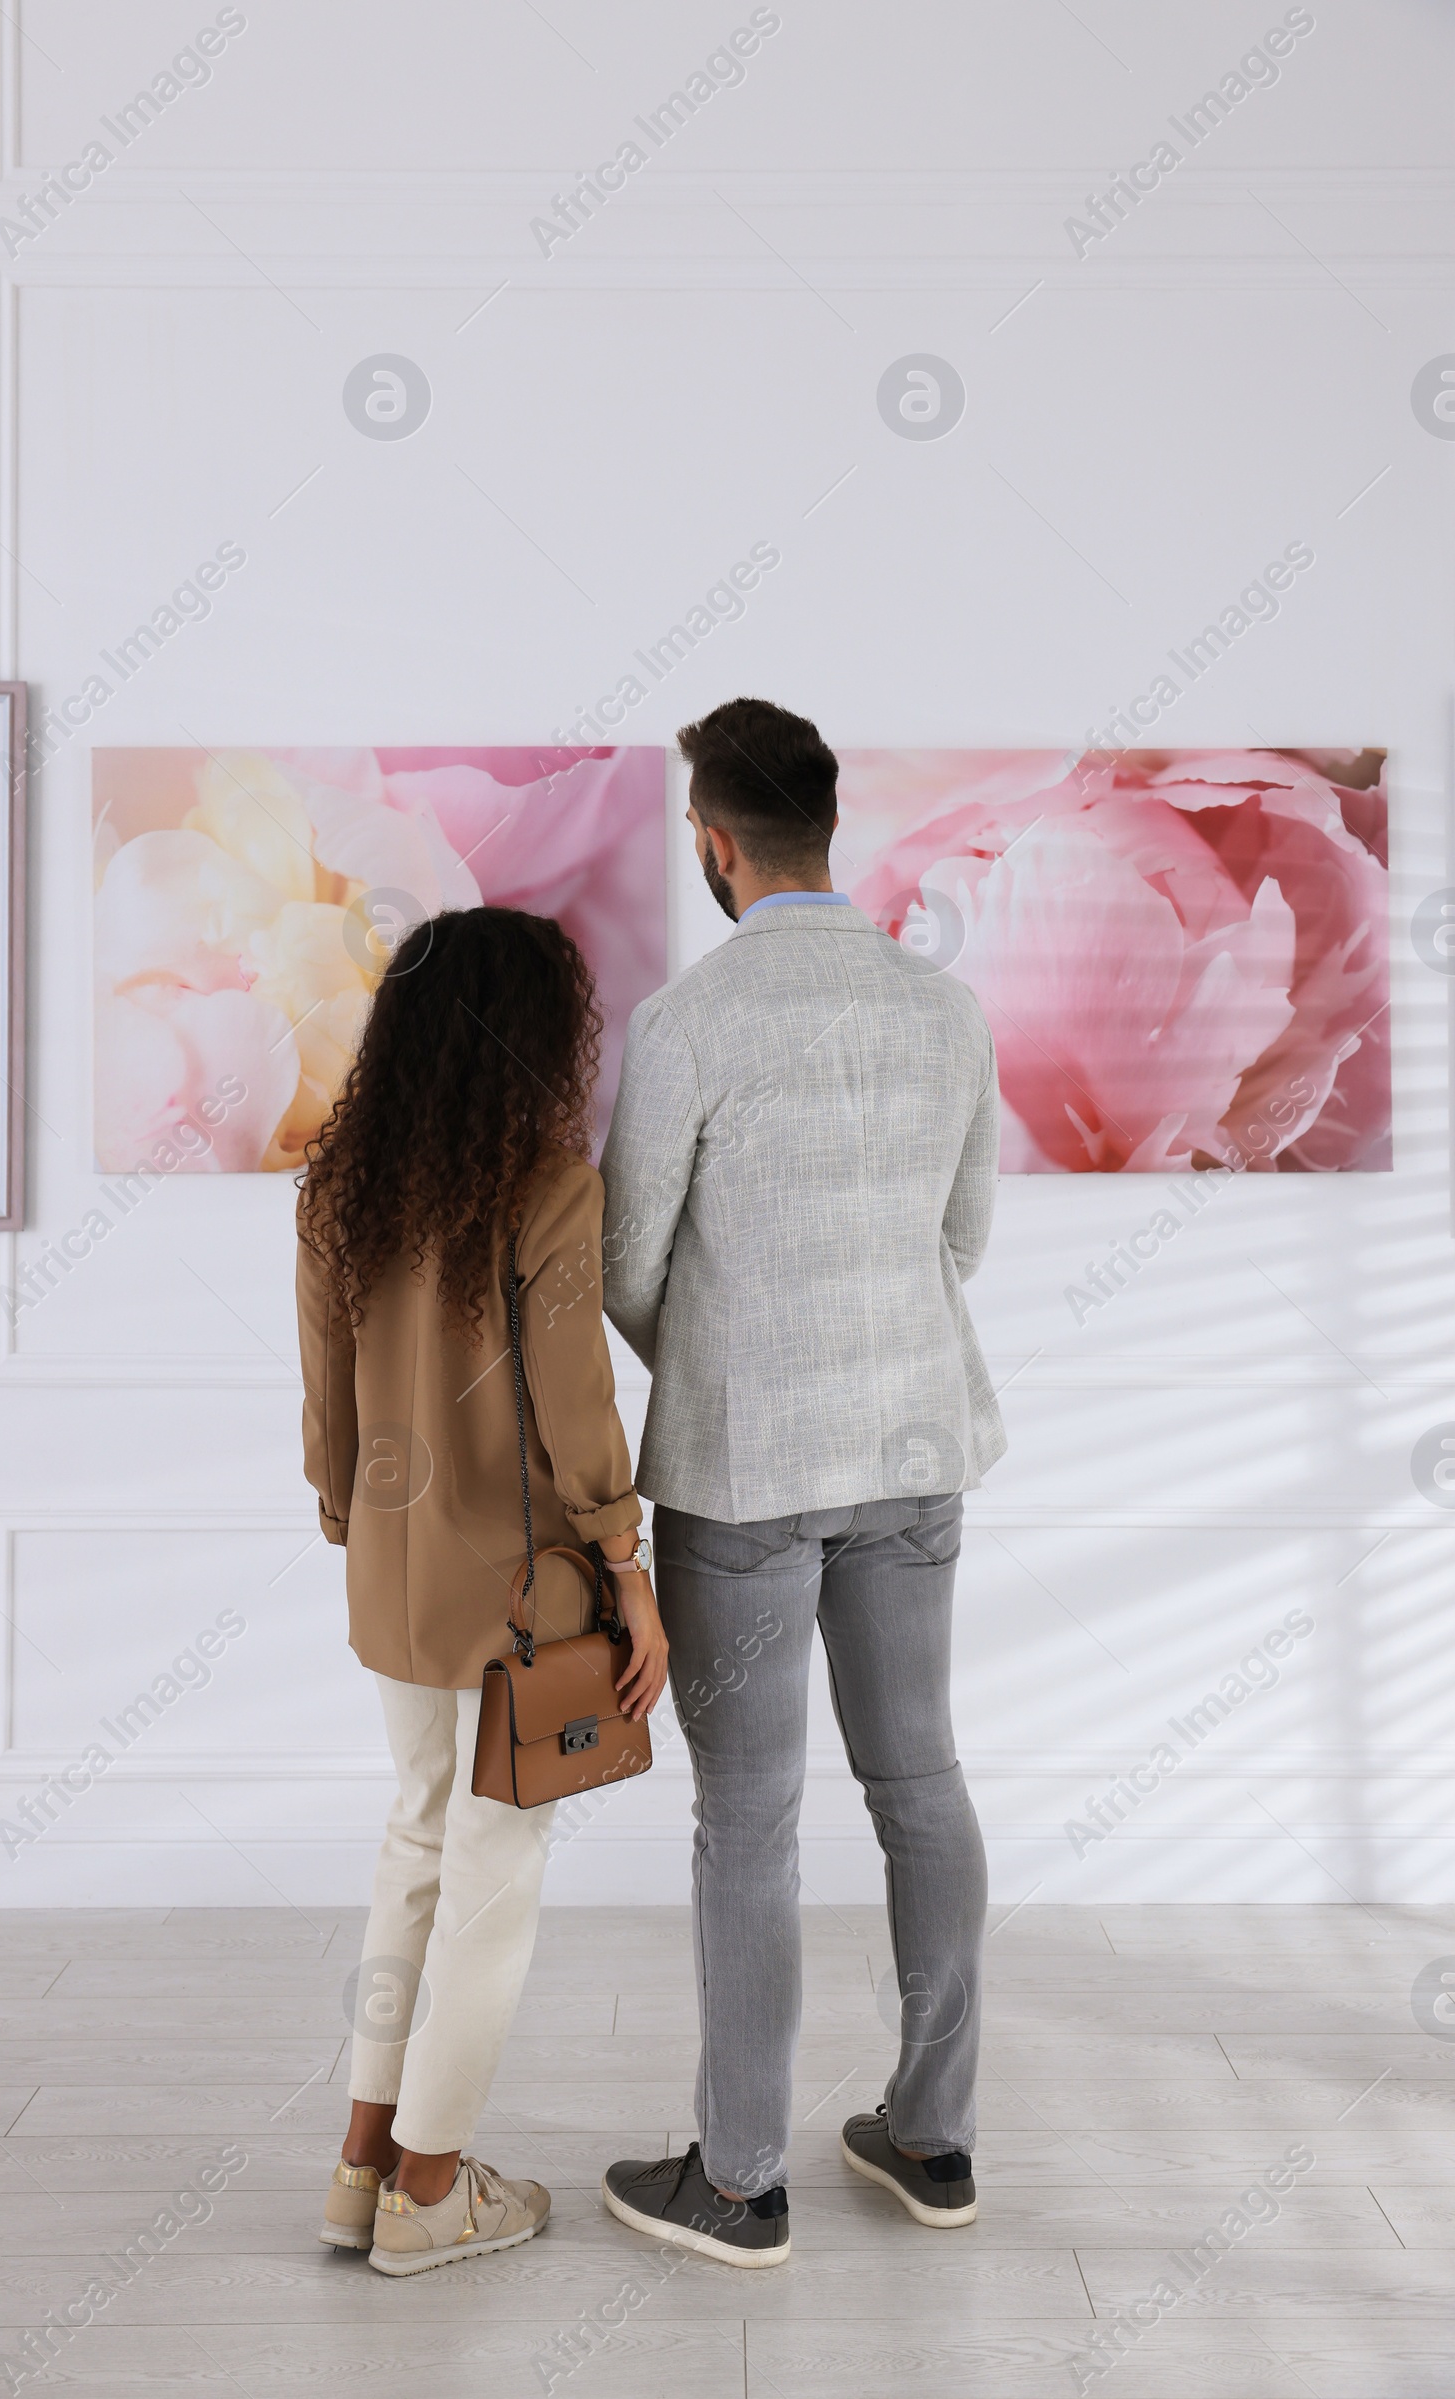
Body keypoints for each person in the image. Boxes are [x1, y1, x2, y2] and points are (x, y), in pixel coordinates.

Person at [596, 697, 1002, 2268]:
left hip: (743, 1473)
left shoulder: (692, 1021)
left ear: (711, 840)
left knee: (749, 1822)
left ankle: (742, 2180)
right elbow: (958, 1244)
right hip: (914, 1452)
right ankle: (933, 2138)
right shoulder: (941, 1009)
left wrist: (726, 1352)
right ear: (829, 827)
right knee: (922, 1783)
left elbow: (630, 1269)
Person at [297, 904, 666, 2277]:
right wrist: (630, 1573)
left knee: (413, 1848)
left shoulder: (339, 1192)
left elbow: (326, 1418)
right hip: (516, 1599)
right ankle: (434, 2195)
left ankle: (360, 2165)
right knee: (491, 1884)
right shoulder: (549, 1192)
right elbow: (578, 1418)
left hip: (390, 1586)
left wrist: (356, 1525)